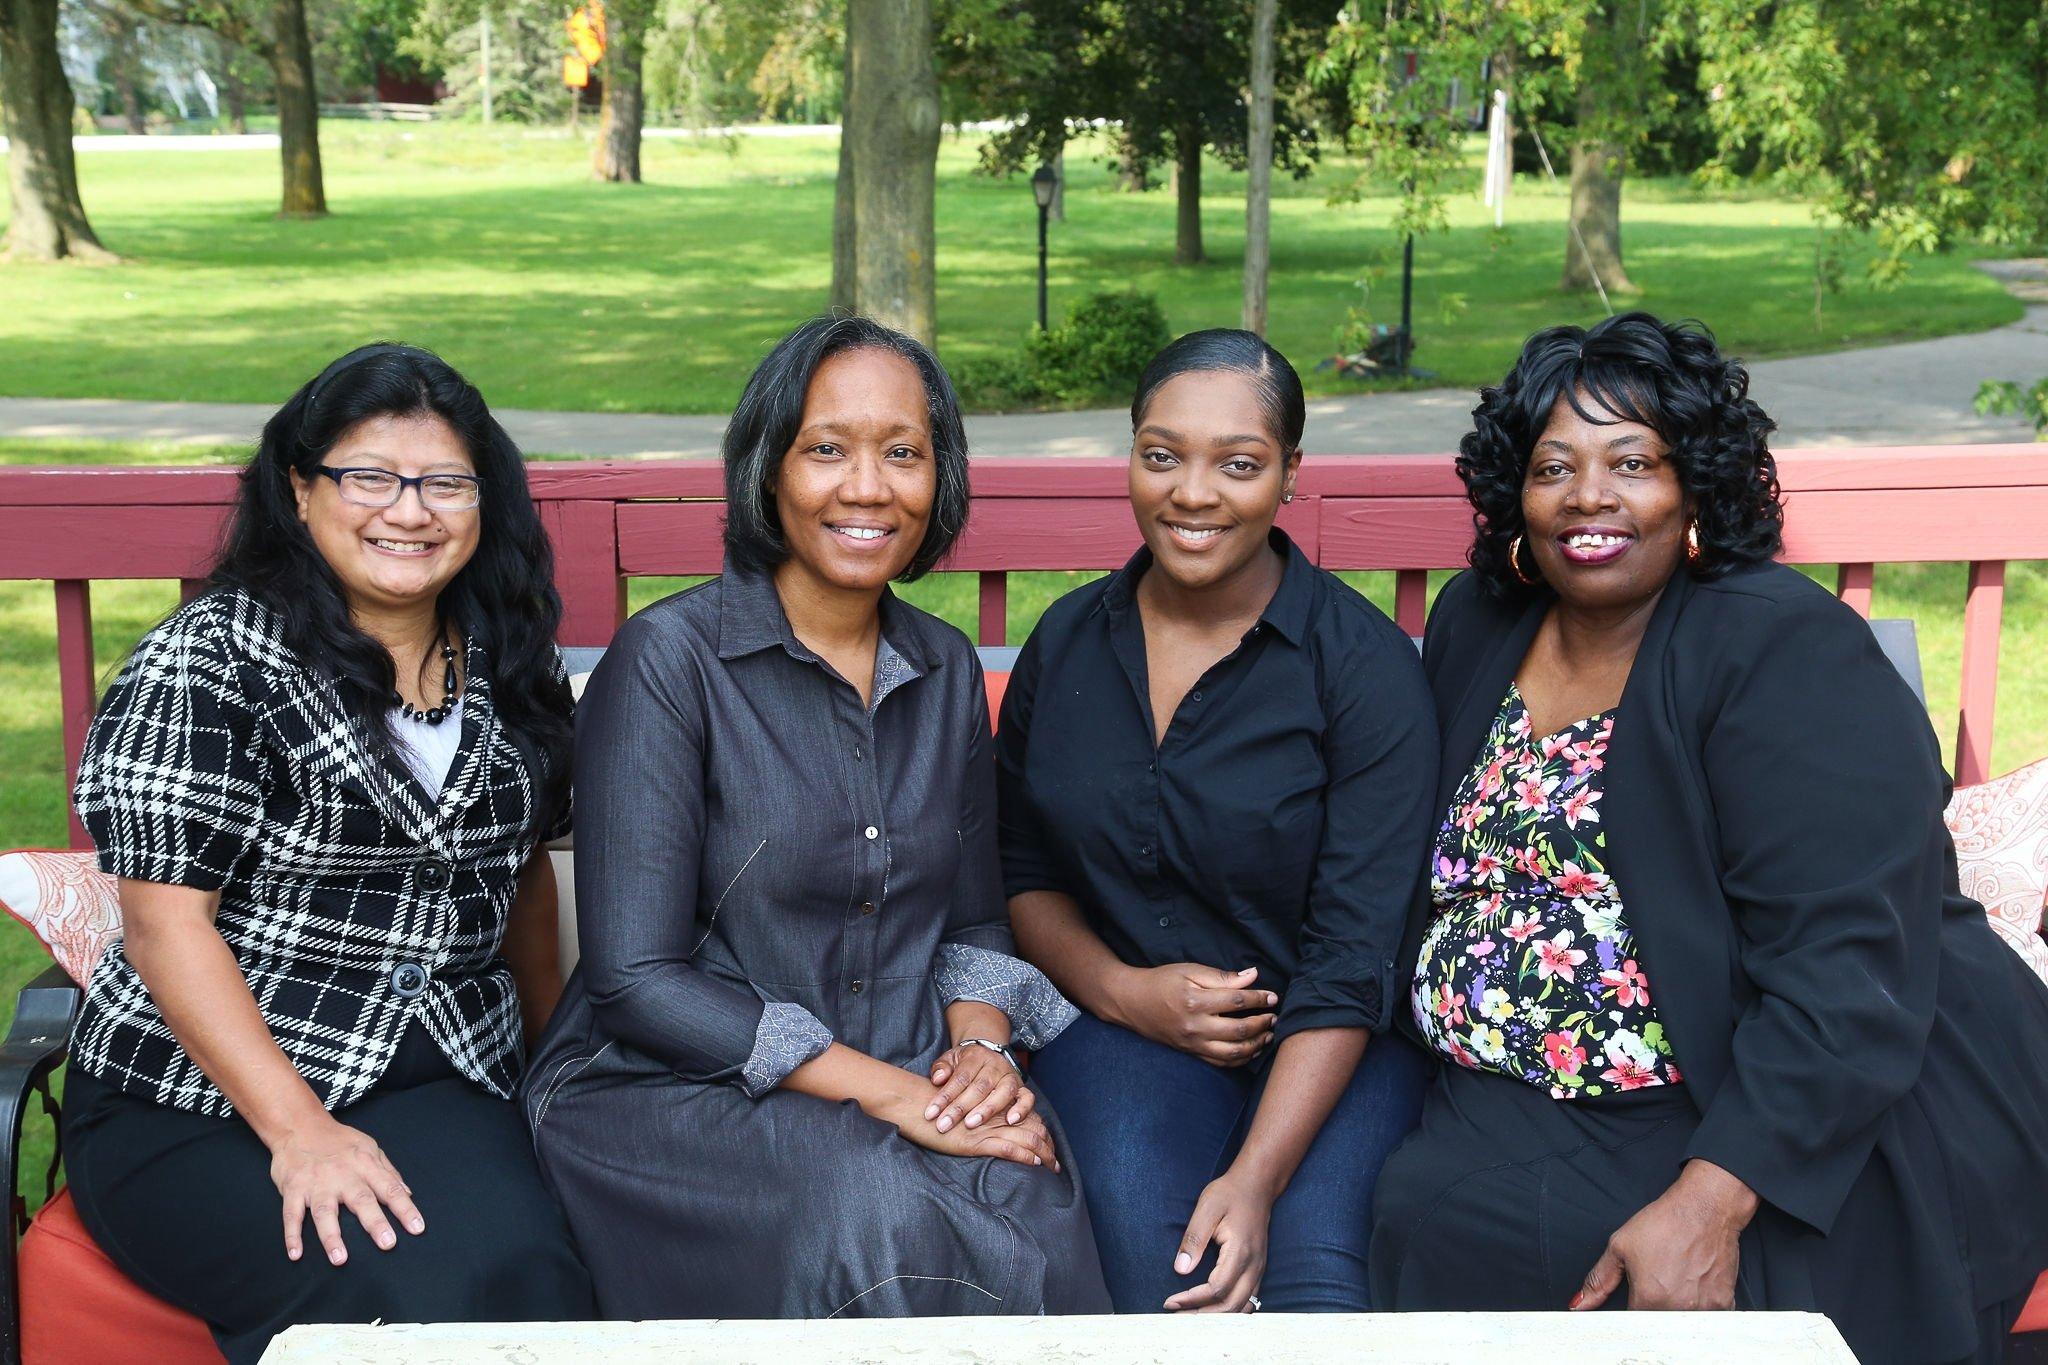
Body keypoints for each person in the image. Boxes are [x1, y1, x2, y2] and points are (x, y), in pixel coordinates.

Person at [1370, 312, 2048, 1363]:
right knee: (1416, 1217)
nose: (1589, 495)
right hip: (1500, 1094)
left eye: (1631, 461)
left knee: (1517, 1247)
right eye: (1555, 466)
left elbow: (1847, 963)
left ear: (1694, 485)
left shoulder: (1780, 652)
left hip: (1744, 1101)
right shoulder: (1479, 621)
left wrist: (1711, 1199)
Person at [522, 316, 1110, 1320]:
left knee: (1026, 1190)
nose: (868, 487)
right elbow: (633, 980)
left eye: (903, 453)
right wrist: (895, 1097)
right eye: (826, 448)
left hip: (905, 1053)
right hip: (673, 1090)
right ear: (768, 469)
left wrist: (978, 1053)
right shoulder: (670, 662)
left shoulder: (944, 668)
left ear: (941, 477)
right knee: (866, 1209)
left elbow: (971, 921)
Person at [66, 343, 595, 1363]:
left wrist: (548, 1070)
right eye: (370, 478)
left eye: (444, 482)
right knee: (398, 1289)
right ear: (300, 492)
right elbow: (167, 924)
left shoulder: (507, 659)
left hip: (438, 1072)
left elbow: (523, 882)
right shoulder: (211, 658)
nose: (410, 510)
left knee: (533, 1280)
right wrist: (299, 1131)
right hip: (199, 1097)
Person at [996, 328, 1438, 1314]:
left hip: (1334, 1038)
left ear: (1286, 476)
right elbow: (1020, 866)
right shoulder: (1068, 640)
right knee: (1168, 1276)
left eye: (1237, 464)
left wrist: (1253, 1182)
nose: (1191, 494)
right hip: (1126, 1031)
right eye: (1160, 455)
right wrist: (1120, 992)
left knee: (1314, 1274)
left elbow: (1355, 953)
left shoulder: (1360, 672)